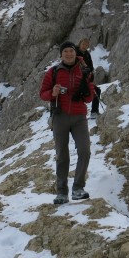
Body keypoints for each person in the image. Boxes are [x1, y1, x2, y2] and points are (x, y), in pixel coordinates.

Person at [40, 41, 95, 204]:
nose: (69, 54)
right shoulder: (53, 72)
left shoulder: (84, 71)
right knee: (62, 155)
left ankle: (78, 188)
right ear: (61, 55)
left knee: (85, 151)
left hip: (79, 117)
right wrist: (53, 92)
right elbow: (43, 94)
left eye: (71, 51)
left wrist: (86, 89)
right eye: (65, 52)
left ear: (74, 52)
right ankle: (62, 192)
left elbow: (90, 98)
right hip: (60, 116)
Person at [77, 38, 102, 117]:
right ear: (80, 43)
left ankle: (94, 112)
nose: (85, 46)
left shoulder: (87, 54)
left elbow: (91, 66)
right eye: (83, 44)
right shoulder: (74, 52)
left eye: (87, 45)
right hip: (77, 78)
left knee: (96, 90)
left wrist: (89, 73)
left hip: (86, 77)